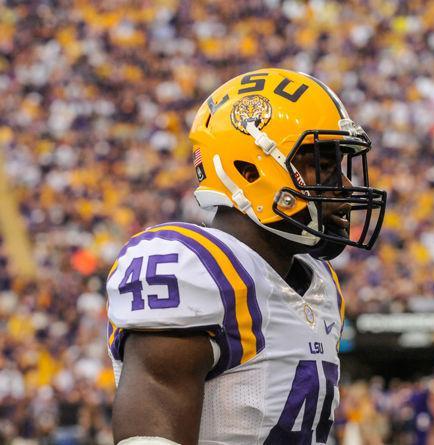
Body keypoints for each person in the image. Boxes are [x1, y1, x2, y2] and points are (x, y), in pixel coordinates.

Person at [105, 68, 387, 445]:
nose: (346, 187)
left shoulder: (321, 285)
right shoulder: (199, 270)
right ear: (249, 168)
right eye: (322, 166)